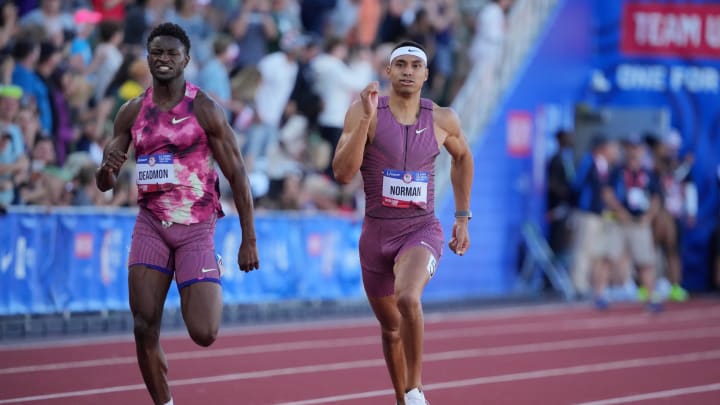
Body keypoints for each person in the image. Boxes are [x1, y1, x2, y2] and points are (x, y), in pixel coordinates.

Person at [95, 23, 259, 405]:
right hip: (151, 223)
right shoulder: (131, 111)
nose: (163, 59)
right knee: (143, 325)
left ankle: (208, 264)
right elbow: (106, 182)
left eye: (171, 53)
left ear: (186, 59)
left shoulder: (205, 109)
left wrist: (249, 239)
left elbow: (238, 175)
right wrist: (106, 170)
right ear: (147, 58)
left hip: (196, 228)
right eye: (156, 53)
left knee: (204, 332)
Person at [333, 40, 474, 405]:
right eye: (401, 65)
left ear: (426, 74)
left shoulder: (443, 119)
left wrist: (462, 217)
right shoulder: (365, 111)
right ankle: (402, 398)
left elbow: (463, 159)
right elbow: (343, 174)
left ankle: (414, 390)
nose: (408, 71)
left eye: (415, 65)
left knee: (408, 298)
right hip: (376, 236)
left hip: (420, 230)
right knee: (391, 328)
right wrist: (364, 120)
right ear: (388, 71)